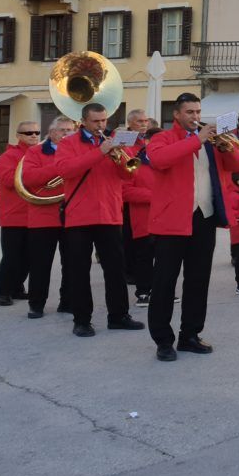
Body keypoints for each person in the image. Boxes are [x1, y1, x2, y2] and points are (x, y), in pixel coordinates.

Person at [146, 94, 239, 362]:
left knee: (198, 281)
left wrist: (228, 148)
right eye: (189, 111)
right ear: (176, 114)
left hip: (204, 217)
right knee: (164, 282)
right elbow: (159, 161)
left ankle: (189, 334)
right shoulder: (163, 138)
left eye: (198, 111)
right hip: (171, 221)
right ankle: (163, 340)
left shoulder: (211, 142)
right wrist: (196, 140)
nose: (195, 115)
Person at [54, 103, 145, 338]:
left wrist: (122, 156)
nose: (101, 125)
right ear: (83, 121)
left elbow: (130, 173)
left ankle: (119, 316)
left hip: (109, 214)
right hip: (79, 217)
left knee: (115, 269)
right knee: (79, 270)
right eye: (96, 121)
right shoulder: (68, 143)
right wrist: (100, 152)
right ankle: (82, 320)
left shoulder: (114, 142)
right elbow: (66, 171)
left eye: (104, 120)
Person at [22, 116, 74, 317]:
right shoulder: (35, 152)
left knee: (71, 262)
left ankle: (67, 302)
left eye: (70, 130)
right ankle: (36, 304)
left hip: (71, 214)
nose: (67, 134)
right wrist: (61, 165)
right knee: (40, 264)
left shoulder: (76, 151)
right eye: (63, 130)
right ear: (52, 133)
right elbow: (30, 179)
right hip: (43, 216)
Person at [0, 121, 36, 306]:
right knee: (12, 257)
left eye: (36, 132)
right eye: (28, 133)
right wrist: (37, 175)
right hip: (14, 215)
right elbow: (8, 180)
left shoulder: (39, 154)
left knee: (28, 256)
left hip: (34, 214)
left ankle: (17, 288)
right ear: (18, 136)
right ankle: (3, 291)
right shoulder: (8, 156)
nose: (34, 135)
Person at [121, 127, 160, 308]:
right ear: (146, 141)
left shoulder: (167, 161)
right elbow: (125, 191)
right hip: (143, 219)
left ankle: (162, 291)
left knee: (165, 259)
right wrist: (156, 196)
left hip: (165, 219)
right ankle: (143, 292)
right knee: (144, 258)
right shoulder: (134, 161)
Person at [121, 109, 150, 287]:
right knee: (128, 238)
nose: (144, 124)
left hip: (140, 189)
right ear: (130, 123)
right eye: (139, 121)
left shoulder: (146, 140)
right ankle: (129, 272)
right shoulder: (125, 138)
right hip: (124, 196)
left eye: (146, 121)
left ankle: (137, 273)